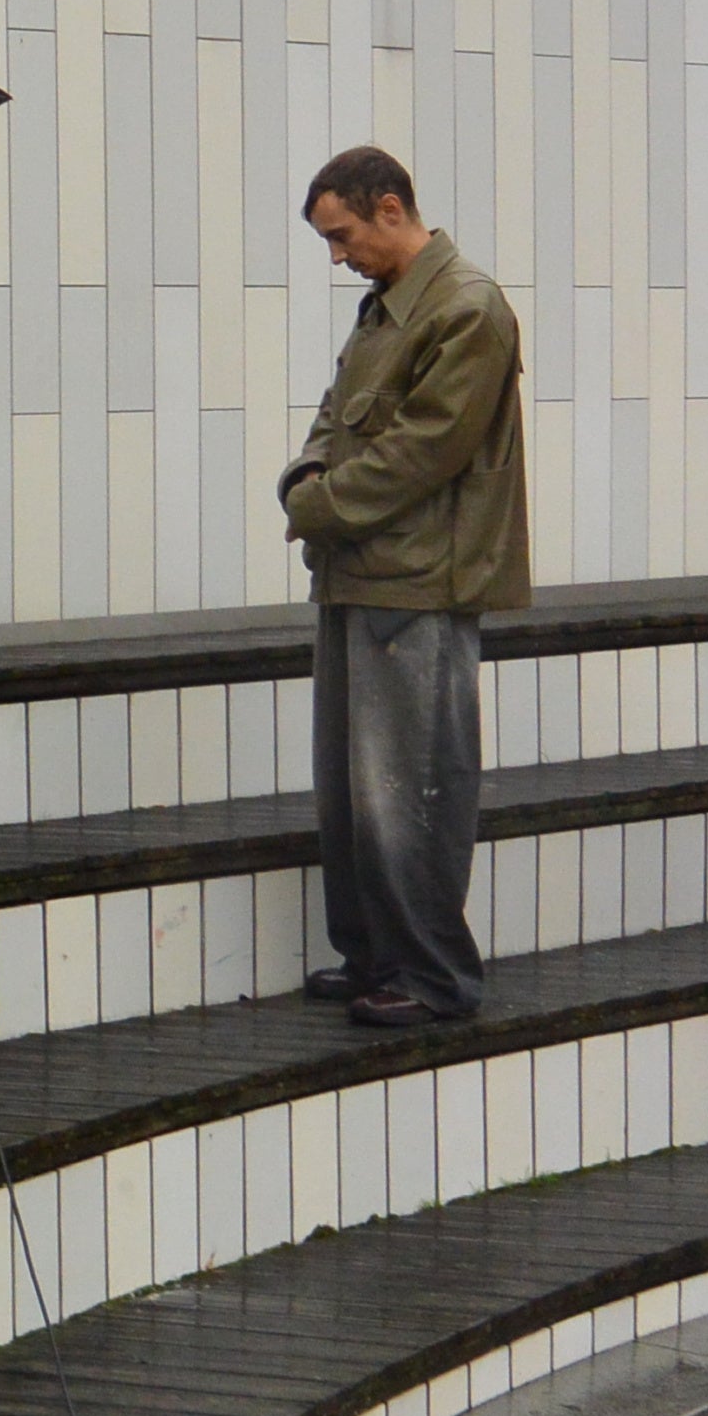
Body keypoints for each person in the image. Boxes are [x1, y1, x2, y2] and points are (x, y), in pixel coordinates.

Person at [277, 146, 529, 1028]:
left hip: (419, 581)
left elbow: (423, 449)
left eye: (343, 235)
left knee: (411, 789)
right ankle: (376, 954)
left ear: (390, 208)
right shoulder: (391, 304)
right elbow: (334, 415)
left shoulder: (467, 308)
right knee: (349, 789)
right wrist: (306, 482)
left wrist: (318, 504)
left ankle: (433, 974)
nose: (339, 256)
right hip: (361, 570)